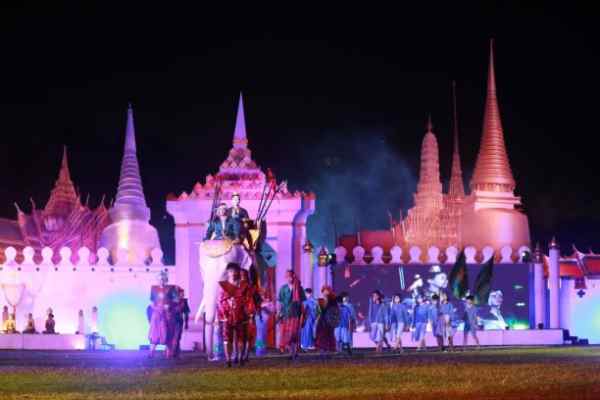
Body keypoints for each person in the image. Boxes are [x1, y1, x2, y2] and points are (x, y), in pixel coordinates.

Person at [218, 263, 254, 367]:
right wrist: (223, 313)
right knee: (227, 338)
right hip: (227, 315)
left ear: (238, 272)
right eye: (230, 271)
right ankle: (228, 360)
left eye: (235, 271)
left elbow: (249, 300)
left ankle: (240, 358)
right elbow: (219, 301)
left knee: (241, 338)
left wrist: (249, 313)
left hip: (241, 315)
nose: (233, 273)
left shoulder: (244, 286)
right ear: (227, 273)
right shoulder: (224, 286)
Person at [277, 270, 306, 360]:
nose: (289, 278)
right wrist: (279, 313)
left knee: (294, 334)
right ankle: (290, 352)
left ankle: (295, 352)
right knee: (287, 334)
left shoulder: (299, 288)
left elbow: (302, 303)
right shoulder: (283, 288)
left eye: (290, 276)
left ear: (293, 276)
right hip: (286, 313)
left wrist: (303, 315)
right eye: (287, 277)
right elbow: (280, 302)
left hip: (295, 313)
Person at [148, 271, 176, 358]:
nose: (161, 281)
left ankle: (169, 354)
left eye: (163, 279)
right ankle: (151, 352)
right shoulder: (154, 288)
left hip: (167, 314)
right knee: (155, 333)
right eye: (160, 279)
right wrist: (155, 307)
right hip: (157, 313)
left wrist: (169, 306)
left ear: (166, 279)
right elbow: (152, 302)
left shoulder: (171, 288)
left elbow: (176, 300)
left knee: (167, 332)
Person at [315, 286, 339, 355]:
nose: (325, 292)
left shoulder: (333, 300)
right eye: (324, 291)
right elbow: (317, 311)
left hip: (329, 319)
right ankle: (322, 348)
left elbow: (335, 310)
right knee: (321, 334)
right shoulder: (320, 300)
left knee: (330, 334)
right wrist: (317, 318)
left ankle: (331, 348)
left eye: (327, 291)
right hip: (322, 319)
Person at [169, 287, 191, 359]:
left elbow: (186, 313)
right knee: (173, 337)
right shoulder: (172, 301)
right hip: (172, 321)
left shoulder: (184, 301)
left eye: (183, 293)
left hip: (179, 321)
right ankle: (172, 353)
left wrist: (187, 323)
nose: (183, 294)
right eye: (181, 293)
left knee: (178, 337)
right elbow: (168, 311)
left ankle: (175, 353)